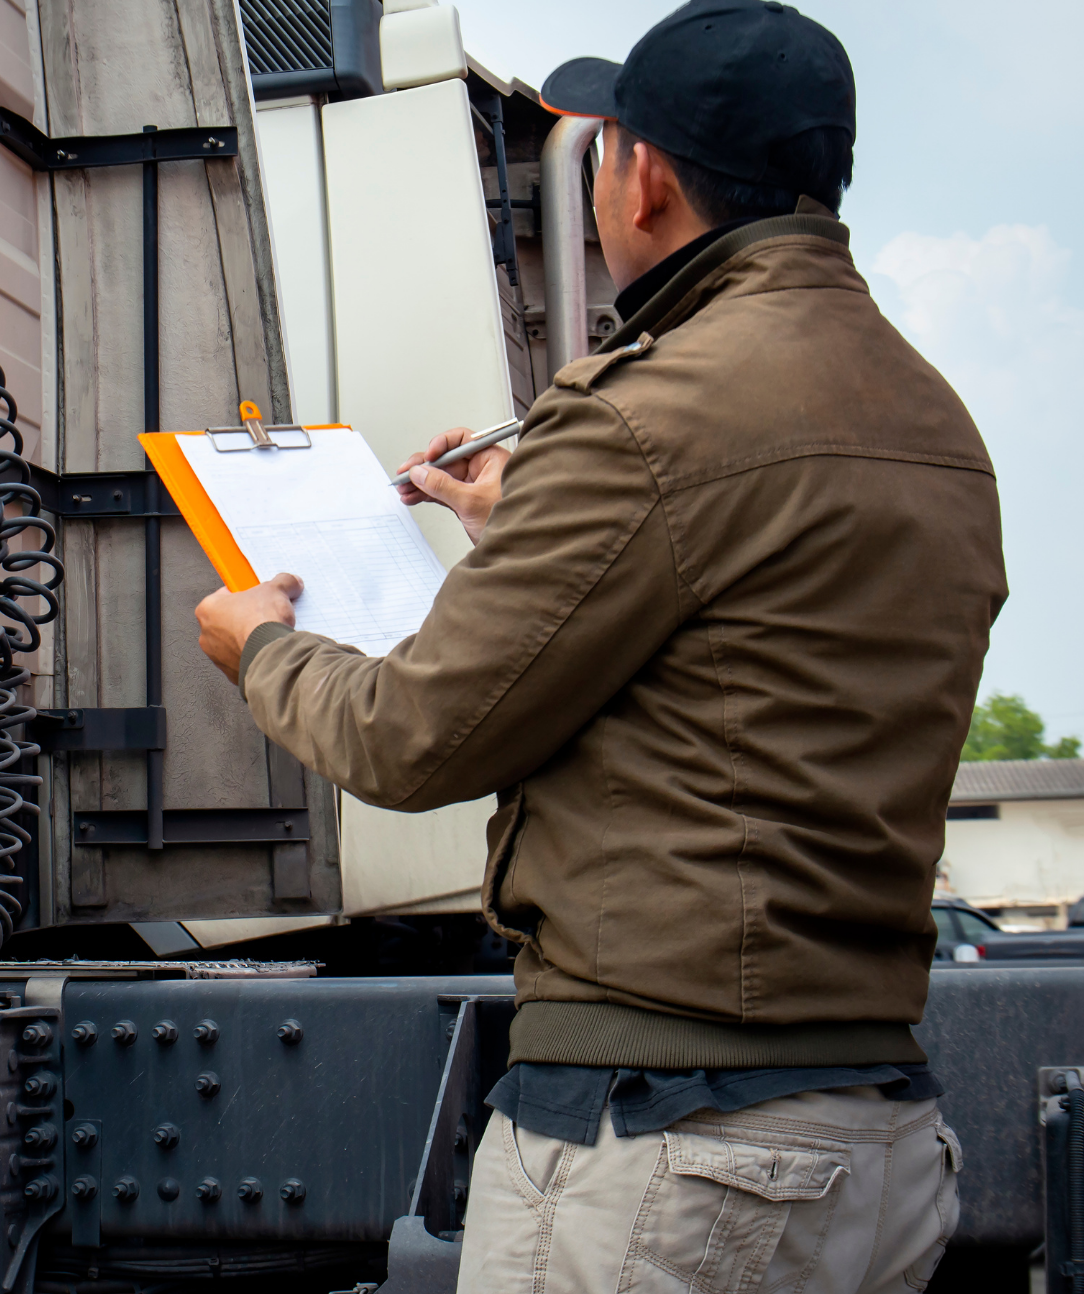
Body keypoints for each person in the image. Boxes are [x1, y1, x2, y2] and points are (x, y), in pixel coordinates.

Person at [193, 1, 1006, 1288]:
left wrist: (259, 645)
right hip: (875, 1134)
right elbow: (753, 639)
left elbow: (408, 737)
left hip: (672, 1146)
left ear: (650, 180)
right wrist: (523, 518)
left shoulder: (647, 414)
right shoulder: (929, 418)